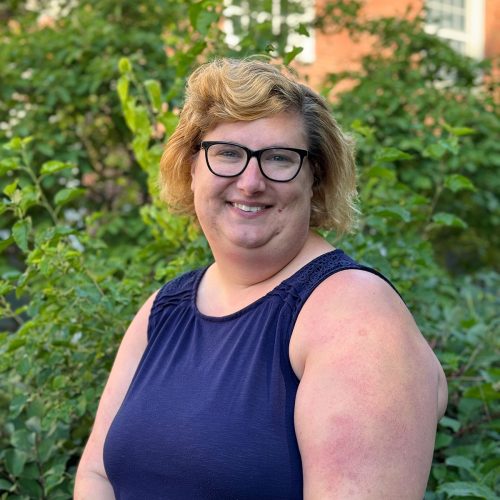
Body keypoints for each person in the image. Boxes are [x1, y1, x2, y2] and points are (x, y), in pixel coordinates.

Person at [74, 58, 447, 499]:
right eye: (228, 153)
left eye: (279, 158)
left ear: (315, 179)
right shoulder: (164, 311)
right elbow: (97, 474)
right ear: (192, 167)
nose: (250, 182)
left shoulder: (357, 317)